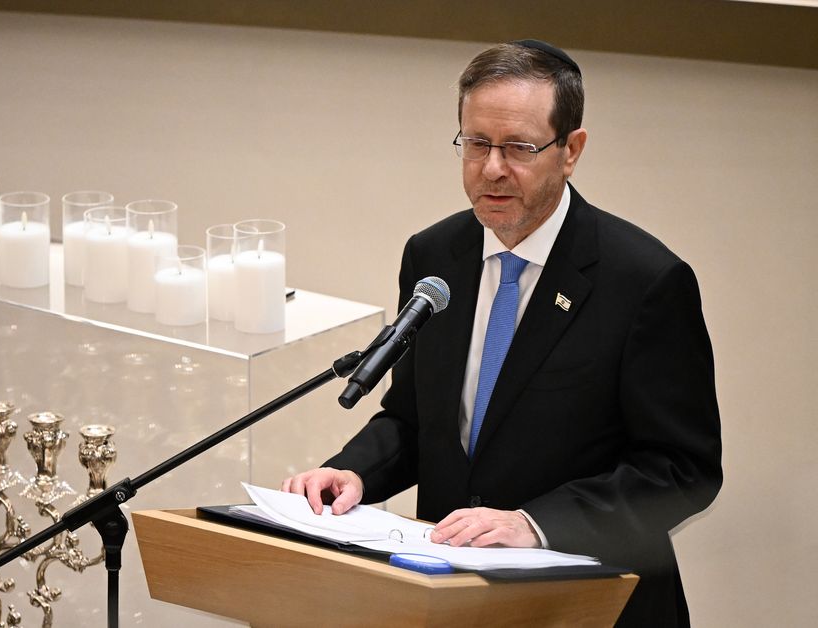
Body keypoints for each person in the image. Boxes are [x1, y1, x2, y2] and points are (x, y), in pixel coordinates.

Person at [282, 40, 722, 627]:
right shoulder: (434, 255)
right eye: (476, 143)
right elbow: (415, 417)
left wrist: (535, 524)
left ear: (570, 151)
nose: (492, 168)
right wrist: (354, 471)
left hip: (589, 602)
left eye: (518, 147)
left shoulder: (644, 281)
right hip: (454, 593)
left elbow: (682, 469)